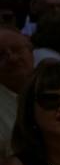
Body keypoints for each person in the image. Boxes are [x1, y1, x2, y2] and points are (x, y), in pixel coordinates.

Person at [0, 29, 34, 158]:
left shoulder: (56, 86)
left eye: (17, 50)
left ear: (31, 51)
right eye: (1, 55)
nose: (12, 59)